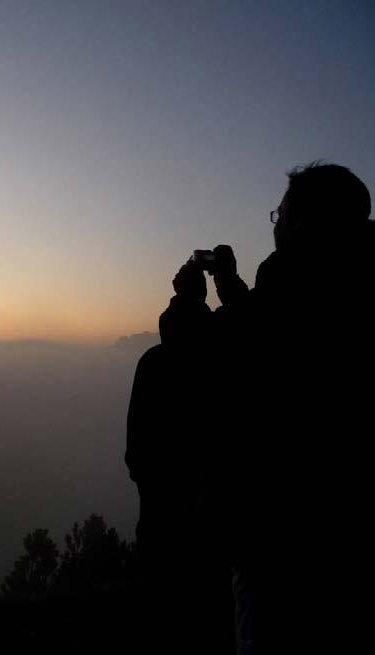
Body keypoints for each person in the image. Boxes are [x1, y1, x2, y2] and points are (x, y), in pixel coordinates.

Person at [127, 162, 374, 653]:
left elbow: (200, 355)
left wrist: (189, 302)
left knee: (154, 366)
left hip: (279, 531)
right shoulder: (349, 278)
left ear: (300, 221)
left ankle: (170, 567)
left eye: (279, 215)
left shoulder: (293, 280)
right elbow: (275, 330)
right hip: (347, 522)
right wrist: (231, 286)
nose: (276, 224)